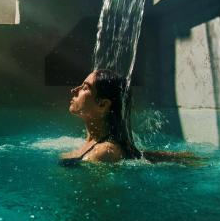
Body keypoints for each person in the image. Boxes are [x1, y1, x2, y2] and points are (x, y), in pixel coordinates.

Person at [60, 69, 198, 165]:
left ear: (102, 105)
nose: (74, 90)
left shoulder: (103, 153)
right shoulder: (93, 140)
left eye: (85, 88)